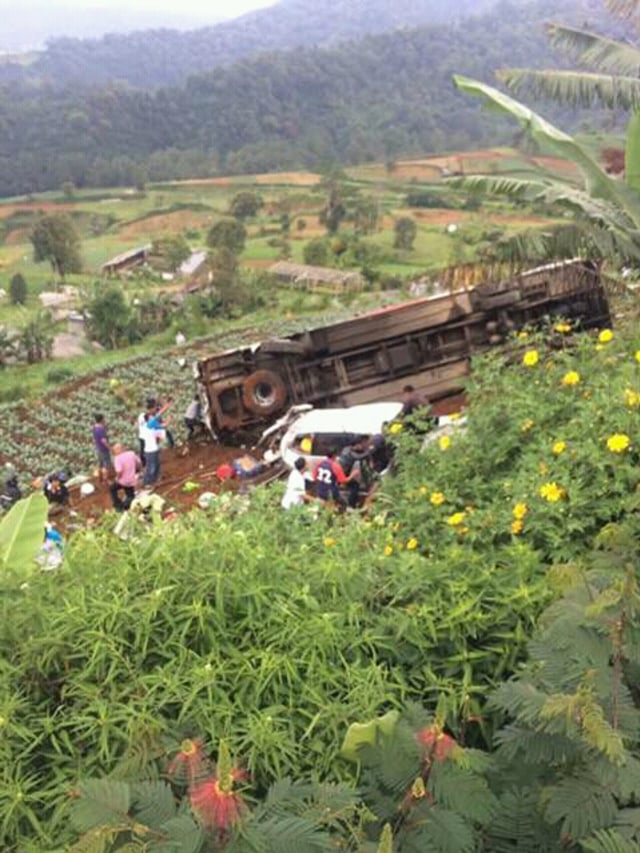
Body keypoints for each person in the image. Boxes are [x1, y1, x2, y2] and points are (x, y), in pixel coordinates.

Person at [338, 437, 369, 508]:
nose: (362, 447)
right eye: (361, 445)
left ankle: (347, 505)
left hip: (343, 474)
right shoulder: (350, 453)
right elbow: (359, 457)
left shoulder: (346, 449)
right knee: (354, 486)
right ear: (356, 445)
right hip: (340, 474)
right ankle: (350, 505)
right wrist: (369, 451)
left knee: (354, 485)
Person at [110, 443, 141, 511]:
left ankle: (118, 505)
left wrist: (117, 478)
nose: (114, 452)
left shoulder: (117, 459)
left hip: (123, 481)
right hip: (132, 480)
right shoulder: (131, 454)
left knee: (112, 488)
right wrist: (137, 471)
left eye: (115, 450)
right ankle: (128, 504)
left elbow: (119, 471)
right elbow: (138, 463)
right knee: (130, 495)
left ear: (119, 450)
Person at [141, 413, 163, 487]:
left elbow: (160, 431)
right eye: (151, 418)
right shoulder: (147, 426)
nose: (153, 419)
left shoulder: (151, 426)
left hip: (154, 449)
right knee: (151, 467)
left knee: (156, 465)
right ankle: (147, 482)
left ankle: (154, 480)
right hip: (150, 450)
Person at [137, 397, 157, 466]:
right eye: (154, 408)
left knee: (143, 451)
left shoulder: (141, 415)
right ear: (151, 409)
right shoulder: (146, 416)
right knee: (145, 452)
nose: (155, 410)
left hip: (142, 436)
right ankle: (146, 465)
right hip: (145, 437)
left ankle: (145, 464)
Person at [92, 413, 111, 481]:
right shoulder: (101, 429)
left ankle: (100, 478)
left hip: (98, 448)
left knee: (101, 464)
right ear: (102, 419)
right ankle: (106, 479)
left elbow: (94, 439)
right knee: (107, 465)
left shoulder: (94, 427)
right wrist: (109, 448)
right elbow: (104, 441)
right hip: (104, 449)